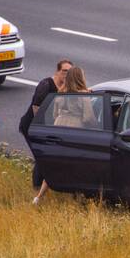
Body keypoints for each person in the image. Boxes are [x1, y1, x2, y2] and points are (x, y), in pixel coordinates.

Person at [33, 65, 93, 203]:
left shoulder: (60, 93)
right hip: (75, 129)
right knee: (76, 164)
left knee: (57, 164)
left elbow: (54, 114)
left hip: (58, 127)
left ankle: (39, 197)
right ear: (80, 78)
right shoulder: (84, 95)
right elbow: (88, 118)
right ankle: (78, 196)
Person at [20, 59, 71, 201]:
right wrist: (41, 128)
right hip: (32, 125)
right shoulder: (46, 84)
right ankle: (36, 187)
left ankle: (48, 184)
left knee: (48, 156)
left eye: (69, 72)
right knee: (41, 156)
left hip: (50, 126)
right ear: (57, 71)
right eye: (64, 71)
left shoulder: (66, 86)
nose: (66, 74)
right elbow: (36, 107)